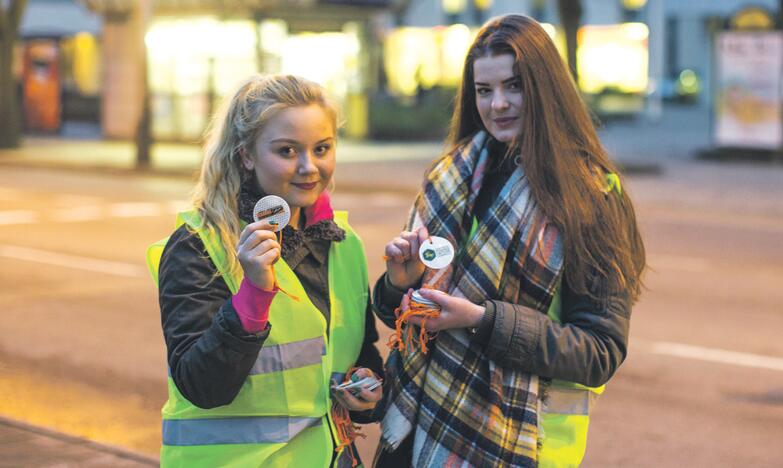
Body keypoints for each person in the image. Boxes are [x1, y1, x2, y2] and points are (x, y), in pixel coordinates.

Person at [373, 14, 646, 467]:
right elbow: (400, 317)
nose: (498, 103)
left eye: (514, 86)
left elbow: (601, 351)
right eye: (484, 90)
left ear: (545, 89)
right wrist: (401, 283)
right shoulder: (449, 177)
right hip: (418, 436)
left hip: (516, 446)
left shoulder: (592, 196)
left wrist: (481, 320)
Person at [146, 74, 383, 467]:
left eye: (322, 148)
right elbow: (201, 385)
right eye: (287, 151)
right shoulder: (199, 245)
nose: (309, 167)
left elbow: (358, 355)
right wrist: (253, 294)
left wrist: (365, 389)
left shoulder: (342, 242)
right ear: (246, 155)